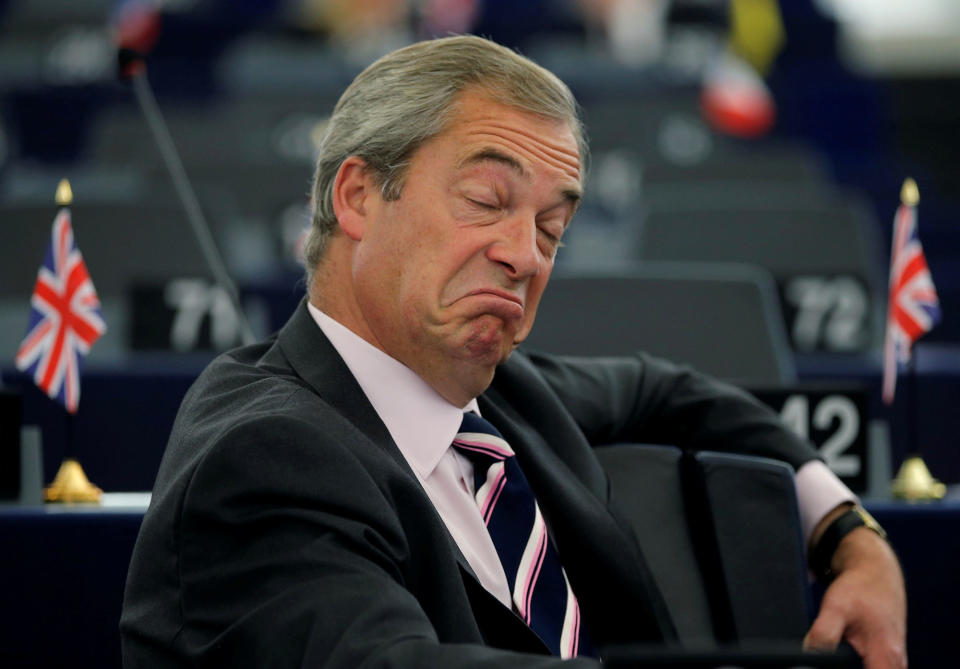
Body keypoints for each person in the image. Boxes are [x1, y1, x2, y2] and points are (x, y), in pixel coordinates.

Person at [120, 35, 906, 668]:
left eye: (552, 229)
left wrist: (847, 531)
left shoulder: (501, 395)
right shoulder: (263, 456)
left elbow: (671, 393)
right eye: (487, 201)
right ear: (358, 196)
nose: (526, 255)